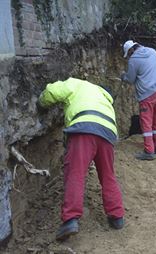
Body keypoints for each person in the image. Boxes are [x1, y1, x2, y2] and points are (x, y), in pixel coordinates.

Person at [38, 77, 125, 241]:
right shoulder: (105, 98)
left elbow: (52, 91)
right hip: (108, 134)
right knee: (108, 176)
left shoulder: (76, 83)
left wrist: (41, 102)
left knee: (76, 174)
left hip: (84, 128)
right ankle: (117, 216)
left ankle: (70, 219)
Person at [121, 40, 156, 160]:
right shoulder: (152, 51)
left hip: (146, 94)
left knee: (146, 123)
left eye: (128, 54)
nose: (129, 56)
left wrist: (123, 76)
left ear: (131, 50)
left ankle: (148, 151)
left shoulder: (133, 60)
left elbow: (130, 79)